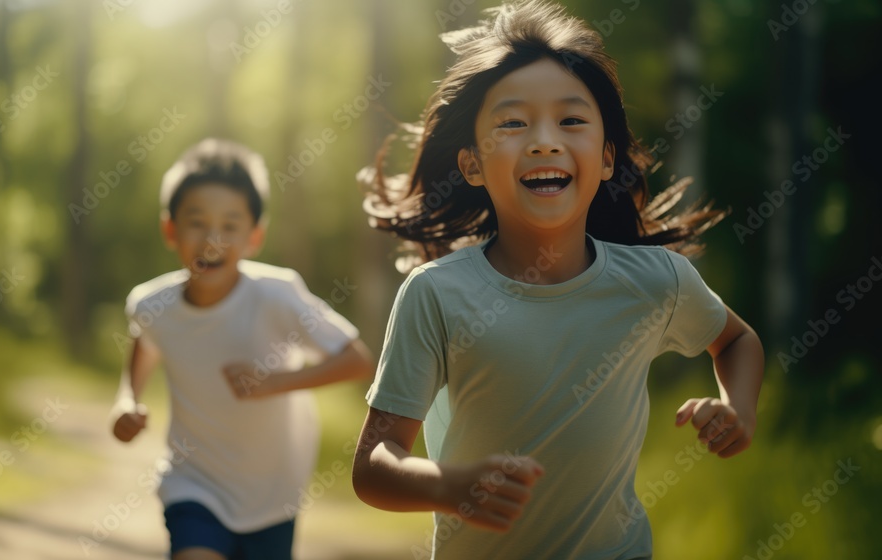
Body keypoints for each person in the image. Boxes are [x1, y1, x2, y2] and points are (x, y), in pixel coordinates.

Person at [351, 1, 764, 558]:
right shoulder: (435, 294)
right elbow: (374, 467)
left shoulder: (656, 281)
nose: (544, 141)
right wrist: (450, 486)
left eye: (571, 120)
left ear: (606, 157)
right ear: (472, 165)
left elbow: (736, 340)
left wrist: (738, 409)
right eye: (513, 123)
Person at [110, 138, 373, 560]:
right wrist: (127, 400)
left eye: (230, 225)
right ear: (170, 229)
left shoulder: (277, 295)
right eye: (197, 222)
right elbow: (146, 342)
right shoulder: (151, 305)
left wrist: (275, 382)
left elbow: (357, 360)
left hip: (273, 493)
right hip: (191, 483)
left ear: (254, 236)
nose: (213, 239)